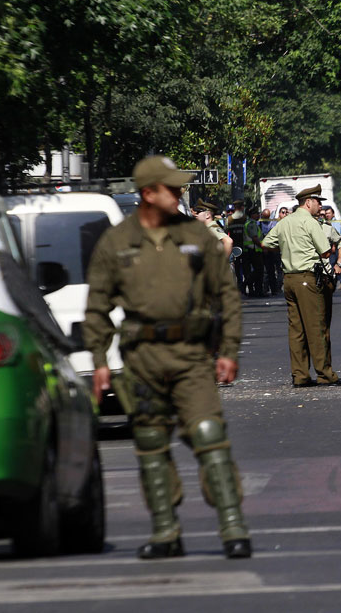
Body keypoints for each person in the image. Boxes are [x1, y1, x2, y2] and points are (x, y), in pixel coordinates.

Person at [83, 155, 251, 560]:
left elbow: (225, 294)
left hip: (191, 355)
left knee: (210, 435)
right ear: (147, 193)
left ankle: (233, 526)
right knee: (151, 442)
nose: (178, 194)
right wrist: (99, 360)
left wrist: (227, 350)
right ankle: (165, 532)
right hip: (141, 358)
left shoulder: (195, 234)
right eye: (171, 188)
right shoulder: (117, 242)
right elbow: (98, 306)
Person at [261, 184, 341, 387]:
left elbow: (266, 243)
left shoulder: (284, 222)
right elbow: (326, 251)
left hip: (289, 279)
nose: (320, 207)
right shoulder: (310, 223)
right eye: (318, 202)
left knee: (296, 329)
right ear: (308, 202)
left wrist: (287, 249)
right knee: (316, 327)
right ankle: (325, 374)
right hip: (308, 278)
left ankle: (300, 375)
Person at [316, 197, 341, 366]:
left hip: (323, 276)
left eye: (323, 213)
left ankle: (323, 367)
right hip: (305, 277)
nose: (321, 215)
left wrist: (340, 263)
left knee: (323, 322)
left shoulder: (327, 228)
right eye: (319, 212)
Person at [243, 203, 264, 296]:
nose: (258, 215)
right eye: (256, 213)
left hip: (253, 251)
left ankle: (257, 291)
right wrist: (263, 247)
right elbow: (255, 238)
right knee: (258, 271)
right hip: (253, 251)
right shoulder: (251, 224)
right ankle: (245, 284)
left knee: (258, 272)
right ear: (252, 215)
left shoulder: (253, 223)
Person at [226, 199, 247, 293]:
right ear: (242, 207)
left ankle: (239, 287)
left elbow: (225, 233)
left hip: (234, 247)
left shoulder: (229, 220)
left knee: (237, 268)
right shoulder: (246, 218)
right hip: (246, 247)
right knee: (246, 268)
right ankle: (247, 287)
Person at [260, 208, 280, 295]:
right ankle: (265, 289)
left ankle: (274, 289)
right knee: (264, 272)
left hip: (271, 250)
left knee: (271, 271)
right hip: (262, 250)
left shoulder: (273, 223)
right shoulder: (258, 224)